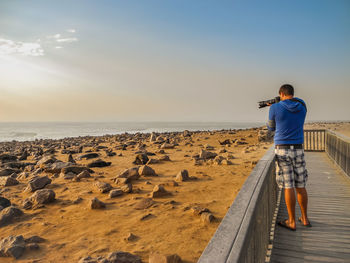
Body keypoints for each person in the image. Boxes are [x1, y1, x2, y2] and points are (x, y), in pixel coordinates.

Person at [267, 84, 311, 231]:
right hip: (298, 148)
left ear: (281, 94)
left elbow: (271, 127)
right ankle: (304, 218)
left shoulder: (275, 107)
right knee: (301, 185)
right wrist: (281, 100)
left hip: (282, 150)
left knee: (288, 186)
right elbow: (299, 101)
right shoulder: (302, 106)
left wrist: (275, 104)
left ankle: (291, 221)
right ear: (292, 94)